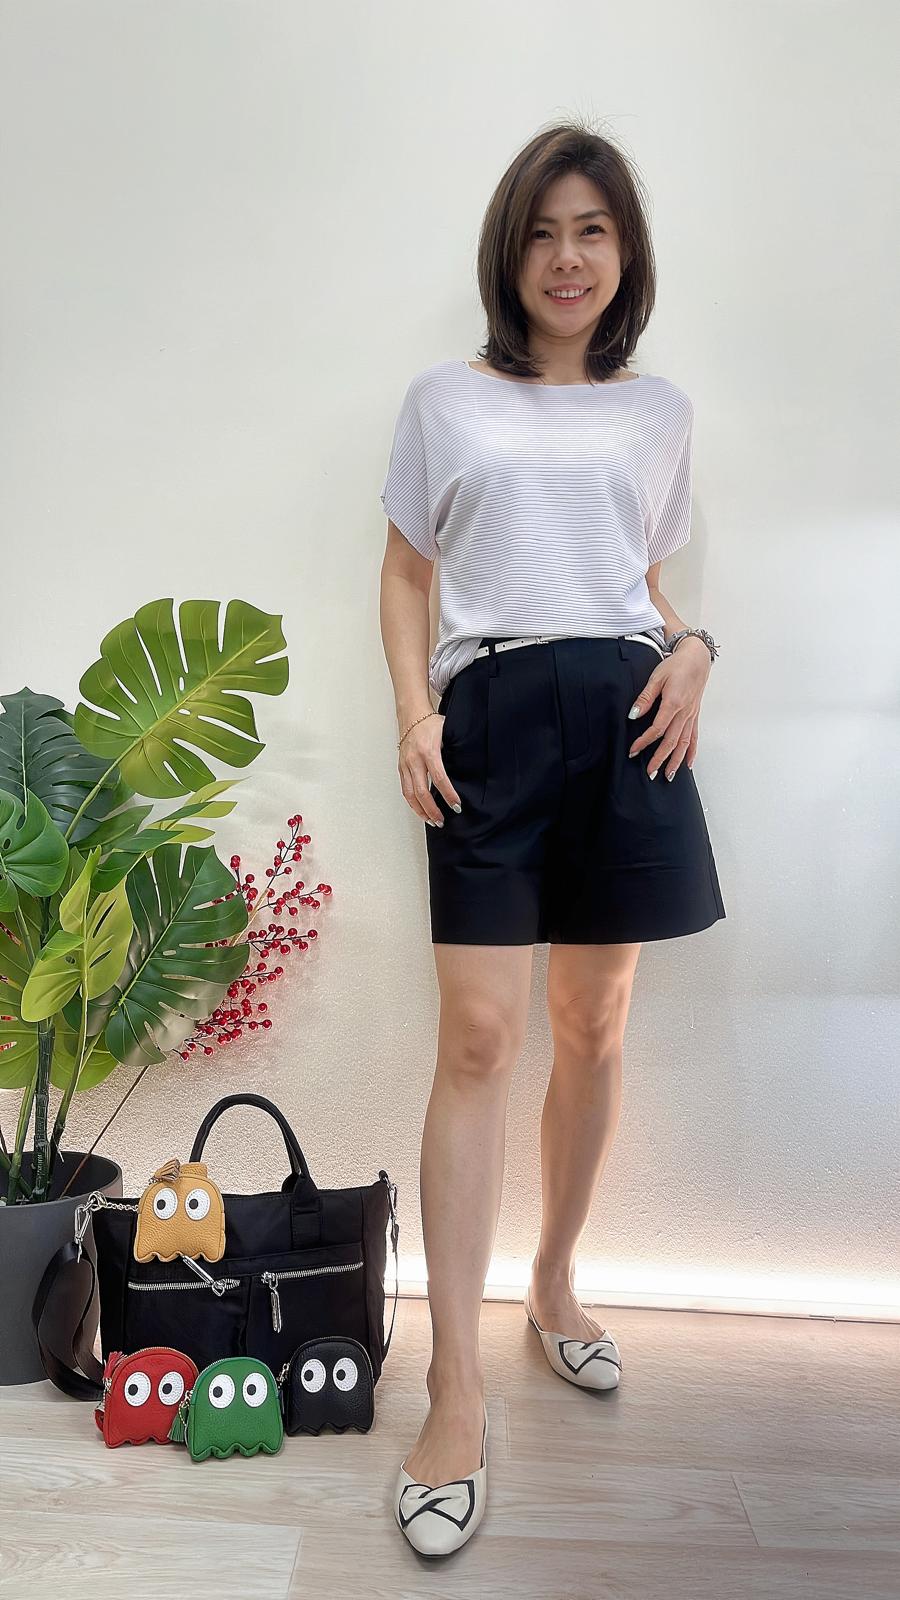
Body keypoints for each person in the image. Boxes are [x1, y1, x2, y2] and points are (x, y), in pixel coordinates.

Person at [378, 120, 726, 1558]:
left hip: (632, 715)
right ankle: (453, 1389)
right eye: (542, 231)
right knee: (477, 1036)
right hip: (494, 711)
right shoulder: (445, 400)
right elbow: (407, 573)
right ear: (507, 252)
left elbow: (638, 578)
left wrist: (695, 645)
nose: (566, 257)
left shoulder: (659, 413)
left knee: (595, 1022)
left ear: (623, 251)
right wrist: (414, 712)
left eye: (592, 230)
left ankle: (558, 1282)